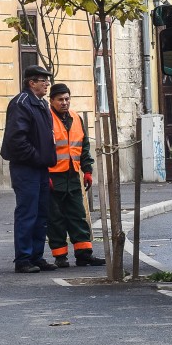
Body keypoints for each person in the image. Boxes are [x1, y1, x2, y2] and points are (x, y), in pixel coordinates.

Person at [0, 65, 58, 274]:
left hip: (40, 167)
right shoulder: (22, 103)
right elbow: (17, 140)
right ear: (31, 82)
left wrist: (44, 160)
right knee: (28, 213)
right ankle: (23, 258)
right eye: (43, 80)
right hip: (27, 167)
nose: (47, 84)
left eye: (47, 80)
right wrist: (37, 157)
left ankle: (36, 255)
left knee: (41, 213)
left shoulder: (40, 104)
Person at [46, 83, 105, 268]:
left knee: (78, 215)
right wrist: (44, 173)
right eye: (60, 99)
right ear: (52, 101)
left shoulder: (76, 119)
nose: (64, 103)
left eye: (67, 99)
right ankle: (60, 256)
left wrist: (87, 171)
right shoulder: (46, 119)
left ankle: (84, 254)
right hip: (53, 176)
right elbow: (43, 149)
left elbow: (84, 147)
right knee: (55, 218)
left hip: (72, 175)